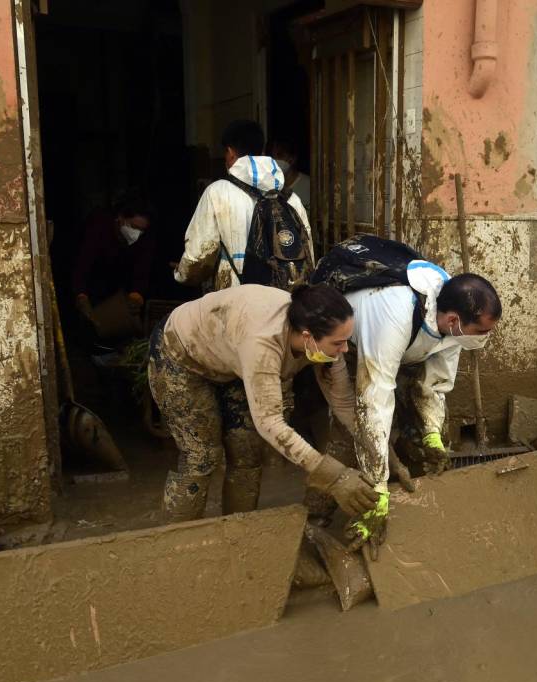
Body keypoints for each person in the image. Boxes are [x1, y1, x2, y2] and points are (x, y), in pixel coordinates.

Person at [147, 283, 378, 523]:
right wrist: (334, 477)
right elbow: (269, 423)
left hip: (232, 362)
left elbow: (342, 402)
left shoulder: (322, 339)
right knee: (202, 455)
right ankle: (176, 543)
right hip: (181, 355)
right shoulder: (263, 341)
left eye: (345, 341)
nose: (344, 349)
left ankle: (240, 534)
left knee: (247, 453)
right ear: (308, 337)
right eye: (338, 343)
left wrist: (378, 449)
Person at [328, 249, 502, 548]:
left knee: (415, 433)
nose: (485, 337)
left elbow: (434, 385)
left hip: (402, 352)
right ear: (453, 319)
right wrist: (377, 487)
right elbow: (373, 401)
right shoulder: (395, 309)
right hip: (347, 349)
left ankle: (407, 502)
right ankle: (323, 515)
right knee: (348, 433)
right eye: (482, 331)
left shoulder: (454, 323)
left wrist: (432, 434)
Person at [175, 120, 312, 291]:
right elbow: (308, 252)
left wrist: (182, 275)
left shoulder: (217, 192)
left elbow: (198, 255)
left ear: (231, 152)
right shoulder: (291, 198)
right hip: (283, 301)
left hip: (236, 300)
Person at [72, 196, 156, 338]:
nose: (137, 234)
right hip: (95, 284)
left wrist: (136, 295)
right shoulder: (99, 227)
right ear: (121, 218)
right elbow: (82, 265)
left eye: (141, 230)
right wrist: (81, 296)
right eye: (134, 227)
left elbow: (142, 270)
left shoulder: (145, 239)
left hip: (122, 290)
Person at [267, 136, 310, 206]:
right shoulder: (267, 186)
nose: (274, 159)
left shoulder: (309, 185)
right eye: (271, 155)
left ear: (292, 158)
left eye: (279, 155)